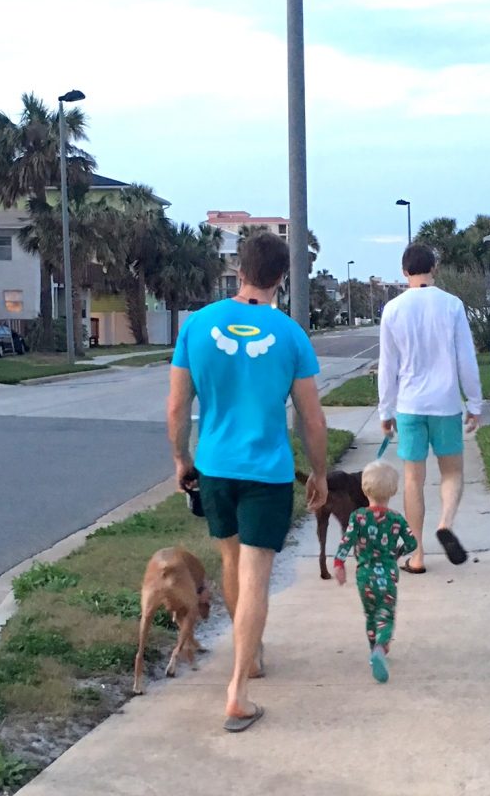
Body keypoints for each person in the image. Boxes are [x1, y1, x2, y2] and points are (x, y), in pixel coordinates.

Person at [167, 231, 329, 732]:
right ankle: (238, 685)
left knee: (232, 561)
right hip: (267, 473)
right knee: (256, 572)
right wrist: (319, 471)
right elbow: (311, 417)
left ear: (239, 270)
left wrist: (180, 459)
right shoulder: (290, 335)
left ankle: (251, 652)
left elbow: (177, 407)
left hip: (214, 468)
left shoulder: (197, 325)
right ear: (283, 276)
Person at [377, 242, 483, 572]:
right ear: (433, 269)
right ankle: (445, 523)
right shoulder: (452, 305)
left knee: (413, 480)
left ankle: (418, 554)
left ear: (404, 271)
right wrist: (475, 402)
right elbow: (466, 358)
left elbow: (387, 366)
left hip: (409, 406)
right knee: (451, 472)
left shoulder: (393, 310)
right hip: (446, 403)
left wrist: (385, 410)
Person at [333, 459, 417, 683]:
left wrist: (339, 565)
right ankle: (381, 647)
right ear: (393, 491)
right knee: (385, 614)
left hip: (364, 576)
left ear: (363, 488)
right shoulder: (396, 519)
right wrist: (398, 553)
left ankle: (373, 649)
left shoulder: (357, 517)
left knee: (370, 614)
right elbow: (412, 544)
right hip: (387, 575)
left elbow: (346, 542)